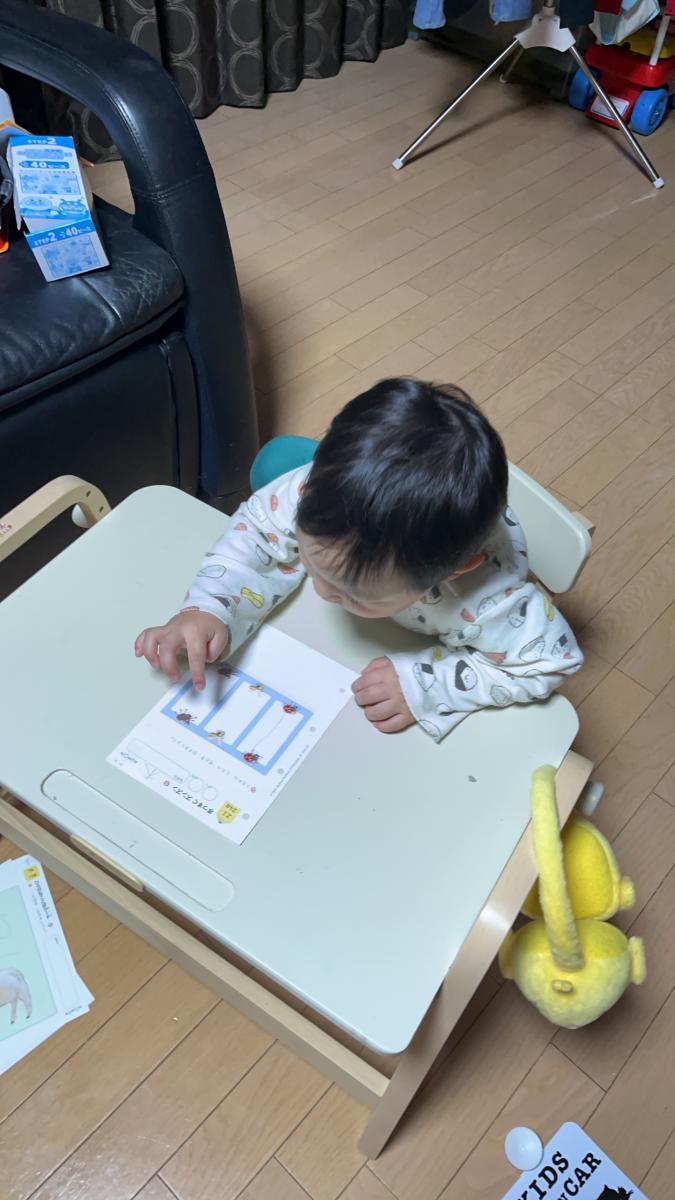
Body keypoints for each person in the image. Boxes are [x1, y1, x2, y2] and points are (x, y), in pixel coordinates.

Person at [135, 378, 583, 742]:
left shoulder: (487, 598)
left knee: (277, 464)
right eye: (314, 565)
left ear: (450, 573)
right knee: (276, 465)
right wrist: (209, 607)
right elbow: (256, 535)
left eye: (356, 596)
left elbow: (551, 661)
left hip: (456, 569)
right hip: (358, 500)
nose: (322, 593)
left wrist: (426, 686)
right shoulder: (314, 493)